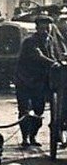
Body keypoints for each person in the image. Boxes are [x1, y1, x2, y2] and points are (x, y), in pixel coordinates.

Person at [14, 14, 59, 148]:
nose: (45, 31)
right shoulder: (30, 41)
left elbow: (56, 54)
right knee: (24, 110)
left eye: (47, 29)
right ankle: (25, 138)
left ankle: (33, 136)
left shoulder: (50, 40)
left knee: (39, 111)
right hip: (25, 81)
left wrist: (59, 61)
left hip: (40, 83)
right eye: (43, 29)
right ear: (37, 28)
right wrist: (55, 63)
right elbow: (38, 56)